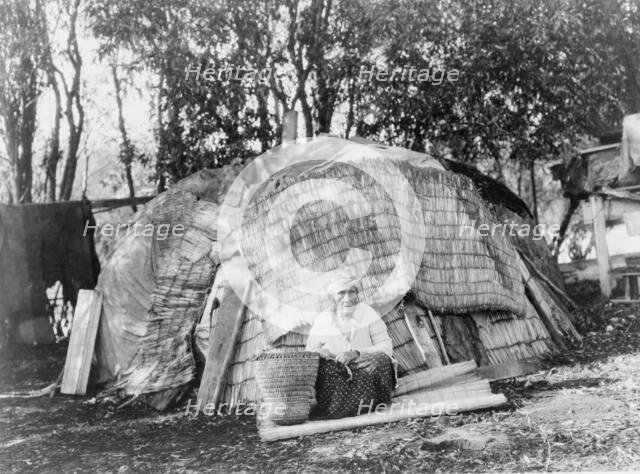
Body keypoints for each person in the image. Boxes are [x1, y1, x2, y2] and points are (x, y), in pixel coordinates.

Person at [305, 271, 395, 418]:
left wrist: (356, 353)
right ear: (331, 297)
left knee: (380, 360)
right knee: (322, 368)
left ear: (357, 293)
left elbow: (386, 347)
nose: (347, 298)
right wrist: (322, 353)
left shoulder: (367, 313)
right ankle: (351, 406)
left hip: (365, 368)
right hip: (337, 374)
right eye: (341, 293)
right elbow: (310, 351)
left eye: (351, 292)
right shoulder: (323, 320)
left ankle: (348, 407)